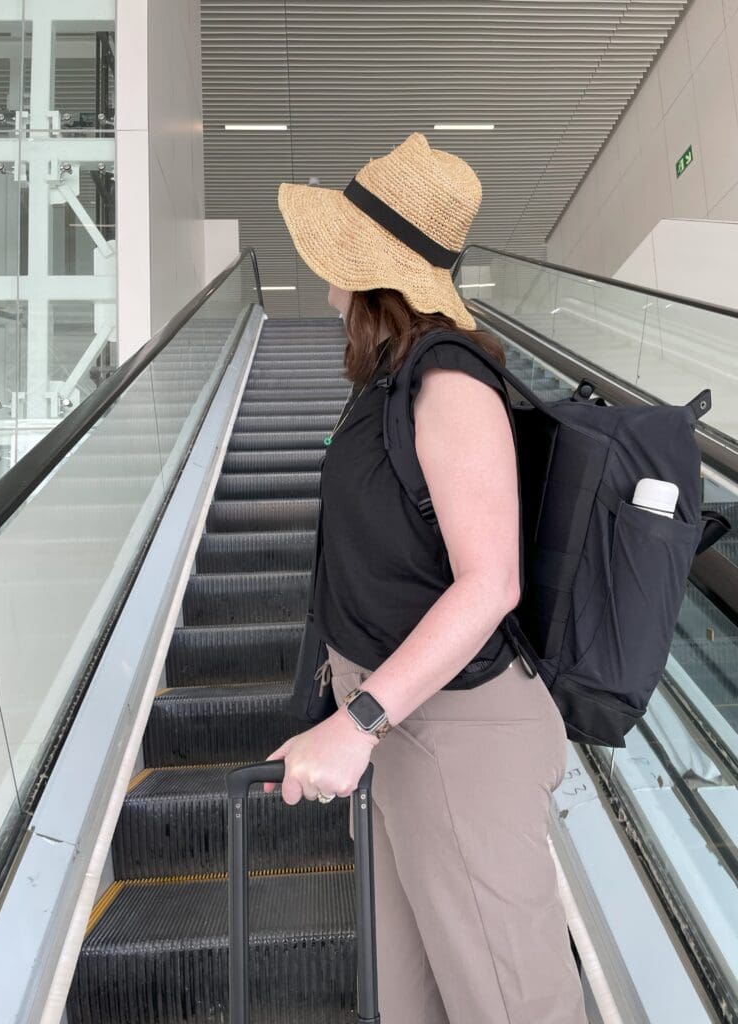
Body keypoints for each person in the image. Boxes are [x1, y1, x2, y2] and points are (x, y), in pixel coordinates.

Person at [264, 130, 588, 1024]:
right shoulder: (386, 384)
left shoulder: (450, 381)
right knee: (413, 1006)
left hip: (459, 734)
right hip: (398, 726)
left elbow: (491, 584)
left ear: (373, 273)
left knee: (513, 1007)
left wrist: (360, 721)